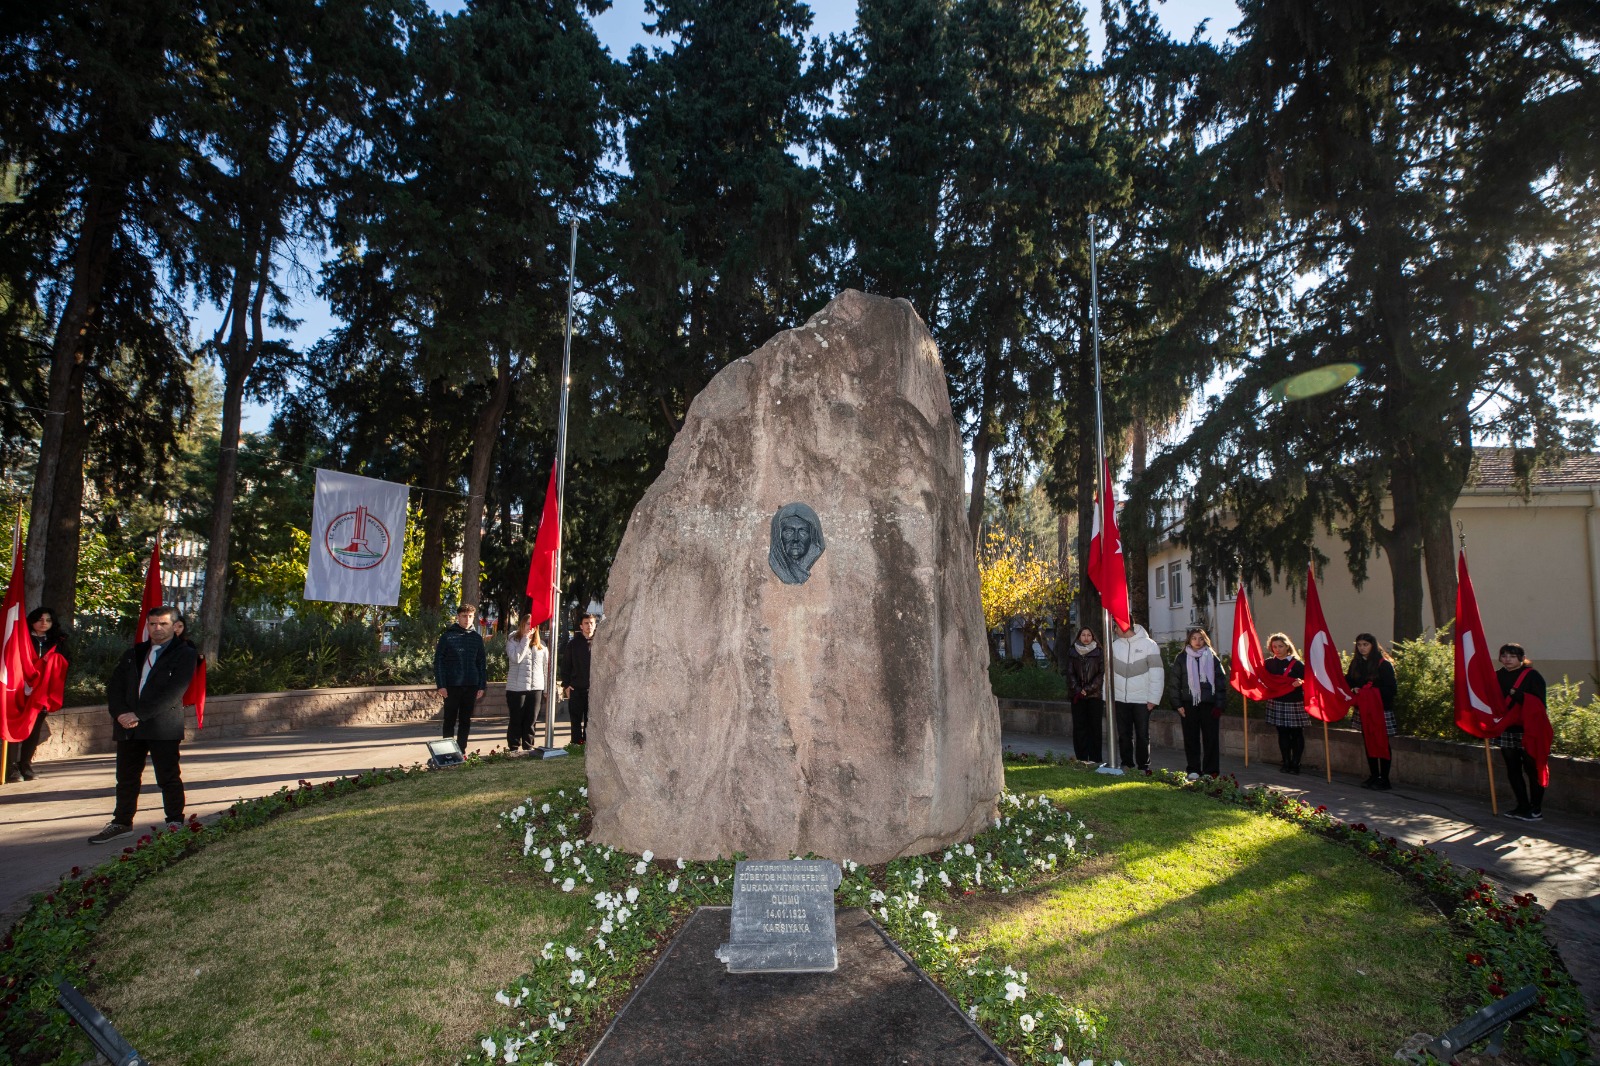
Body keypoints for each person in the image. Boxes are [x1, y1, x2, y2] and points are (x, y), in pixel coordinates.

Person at [88, 606, 198, 843]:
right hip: (128, 726)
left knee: (167, 776)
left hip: (161, 726)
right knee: (126, 777)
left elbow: (174, 691)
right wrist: (120, 714)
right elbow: (115, 686)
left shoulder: (185, 653)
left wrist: (139, 714)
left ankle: (175, 821)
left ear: (176, 627)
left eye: (163, 624)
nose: (157, 629)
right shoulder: (134, 652)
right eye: (152, 624)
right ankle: (121, 822)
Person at [7, 607, 69, 782]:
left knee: (34, 729)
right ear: (32, 621)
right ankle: (10, 765)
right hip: (20, 689)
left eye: (48, 620)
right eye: (40, 619)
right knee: (15, 726)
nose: (44, 623)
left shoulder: (58, 641)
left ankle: (25, 763)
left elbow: (66, 662)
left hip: (42, 692)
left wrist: (53, 662)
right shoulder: (22, 638)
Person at [1495, 643, 1547, 821]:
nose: (1507, 659)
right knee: (1513, 768)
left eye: (1512, 655)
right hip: (1507, 729)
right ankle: (1522, 805)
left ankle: (1536, 808)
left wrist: (1520, 696)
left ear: (1521, 658)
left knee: (1532, 768)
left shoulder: (1532, 676)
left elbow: (1540, 704)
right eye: (1504, 655)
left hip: (1528, 730)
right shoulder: (1497, 676)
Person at [1167, 627, 1226, 780]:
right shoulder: (1181, 658)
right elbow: (1174, 683)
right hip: (1189, 703)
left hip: (1209, 704)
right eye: (1194, 638)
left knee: (1211, 739)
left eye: (1200, 638)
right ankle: (1193, 769)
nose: (1197, 642)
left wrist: (1219, 705)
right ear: (1189, 640)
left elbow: (1220, 683)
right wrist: (1177, 704)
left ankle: (1211, 771)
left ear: (1205, 639)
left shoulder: (1212, 657)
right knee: (1191, 738)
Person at [1110, 619, 1164, 771]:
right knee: (1124, 734)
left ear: (1125, 625)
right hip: (1120, 699)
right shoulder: (1114, 646)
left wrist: (1153, 699)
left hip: (1142, 700)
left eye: (1116, 626)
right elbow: (1108, 674)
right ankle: (1126, 763)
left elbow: (1157, 673)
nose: (1114, 630)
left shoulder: (1149, 645)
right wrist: (1107, 697)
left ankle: (1143, 766)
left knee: (1142, 734)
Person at [1346, 632, 1397, 790]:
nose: (1362, 648)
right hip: (1364, 710)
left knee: (1382, 742)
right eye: (1359, 645)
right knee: (1368, 742)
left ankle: (1385, 778)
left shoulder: (1384, 664)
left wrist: (1368, 692)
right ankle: (1374, 775)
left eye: (1365, 645)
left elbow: (1391, 689)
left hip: (1381, 710)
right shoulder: (1356, 663)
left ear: (1373, 645)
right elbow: (1348, 681)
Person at [434, 605, 487, 753]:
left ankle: (461, 751)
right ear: (458, 617)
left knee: (465, 720)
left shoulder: (476, 638)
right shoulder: (447, 636)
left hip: (471, 685)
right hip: (452, 686)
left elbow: (481, 663)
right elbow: (439, 661)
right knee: (449, 720)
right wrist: (441, 685)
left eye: (470, 616)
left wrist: (481, 685)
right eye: (464, 616)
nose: (467, 619)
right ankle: (447, 752)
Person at [1262, 632, 1307, 774]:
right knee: (1282, 733)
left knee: (1296, 733)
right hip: (1277, 701)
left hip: (1294, 702)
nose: (1277, 649)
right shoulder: (1269, 663)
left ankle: (1296, 763)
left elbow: (1309, 681)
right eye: (1274, 646)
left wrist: (1300, 683)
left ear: (1287, 646)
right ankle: (1286, 761)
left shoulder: (1297, 664)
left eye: (1280, 646)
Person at [504, 617, 549, 751]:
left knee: (531, 720)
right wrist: (525, 640)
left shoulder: (541, 645)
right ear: (522, 624)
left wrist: (546, 688)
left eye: (533, 625)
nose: (530, 627)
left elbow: (545, 668)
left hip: (536, 688)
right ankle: (513, 747)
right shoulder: (513, 640)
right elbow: (516, 658)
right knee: (516, 719)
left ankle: (528, 746)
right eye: (528, 624)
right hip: (516, 688)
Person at [1064, 627, 1105, 763]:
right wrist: (1077, 689)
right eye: (1083, 635)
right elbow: (1070, 673)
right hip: (1077, 697)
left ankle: (1095, 759)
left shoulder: (1099, 652)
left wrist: (1087, 689)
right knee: (1079, 728)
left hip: (1094, 696)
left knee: (1095, 728)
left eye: (1089, 635)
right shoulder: (1072, 652)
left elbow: (1101, 674)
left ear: (1093, 637)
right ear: (1079, 637)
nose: (1086, 637)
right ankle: (1081, 757)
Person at [559, 613, 596, 746]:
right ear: (581, 626)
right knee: (575, 720)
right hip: (576, 689)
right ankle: (576, 744)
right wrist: (566, 685)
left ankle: (588, 746)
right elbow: (565, 666)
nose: (589, 626)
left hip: (593, 690)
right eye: (586, 623)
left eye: (591, 623)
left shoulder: (600, 643)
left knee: (590, 720)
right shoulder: (573, 644)